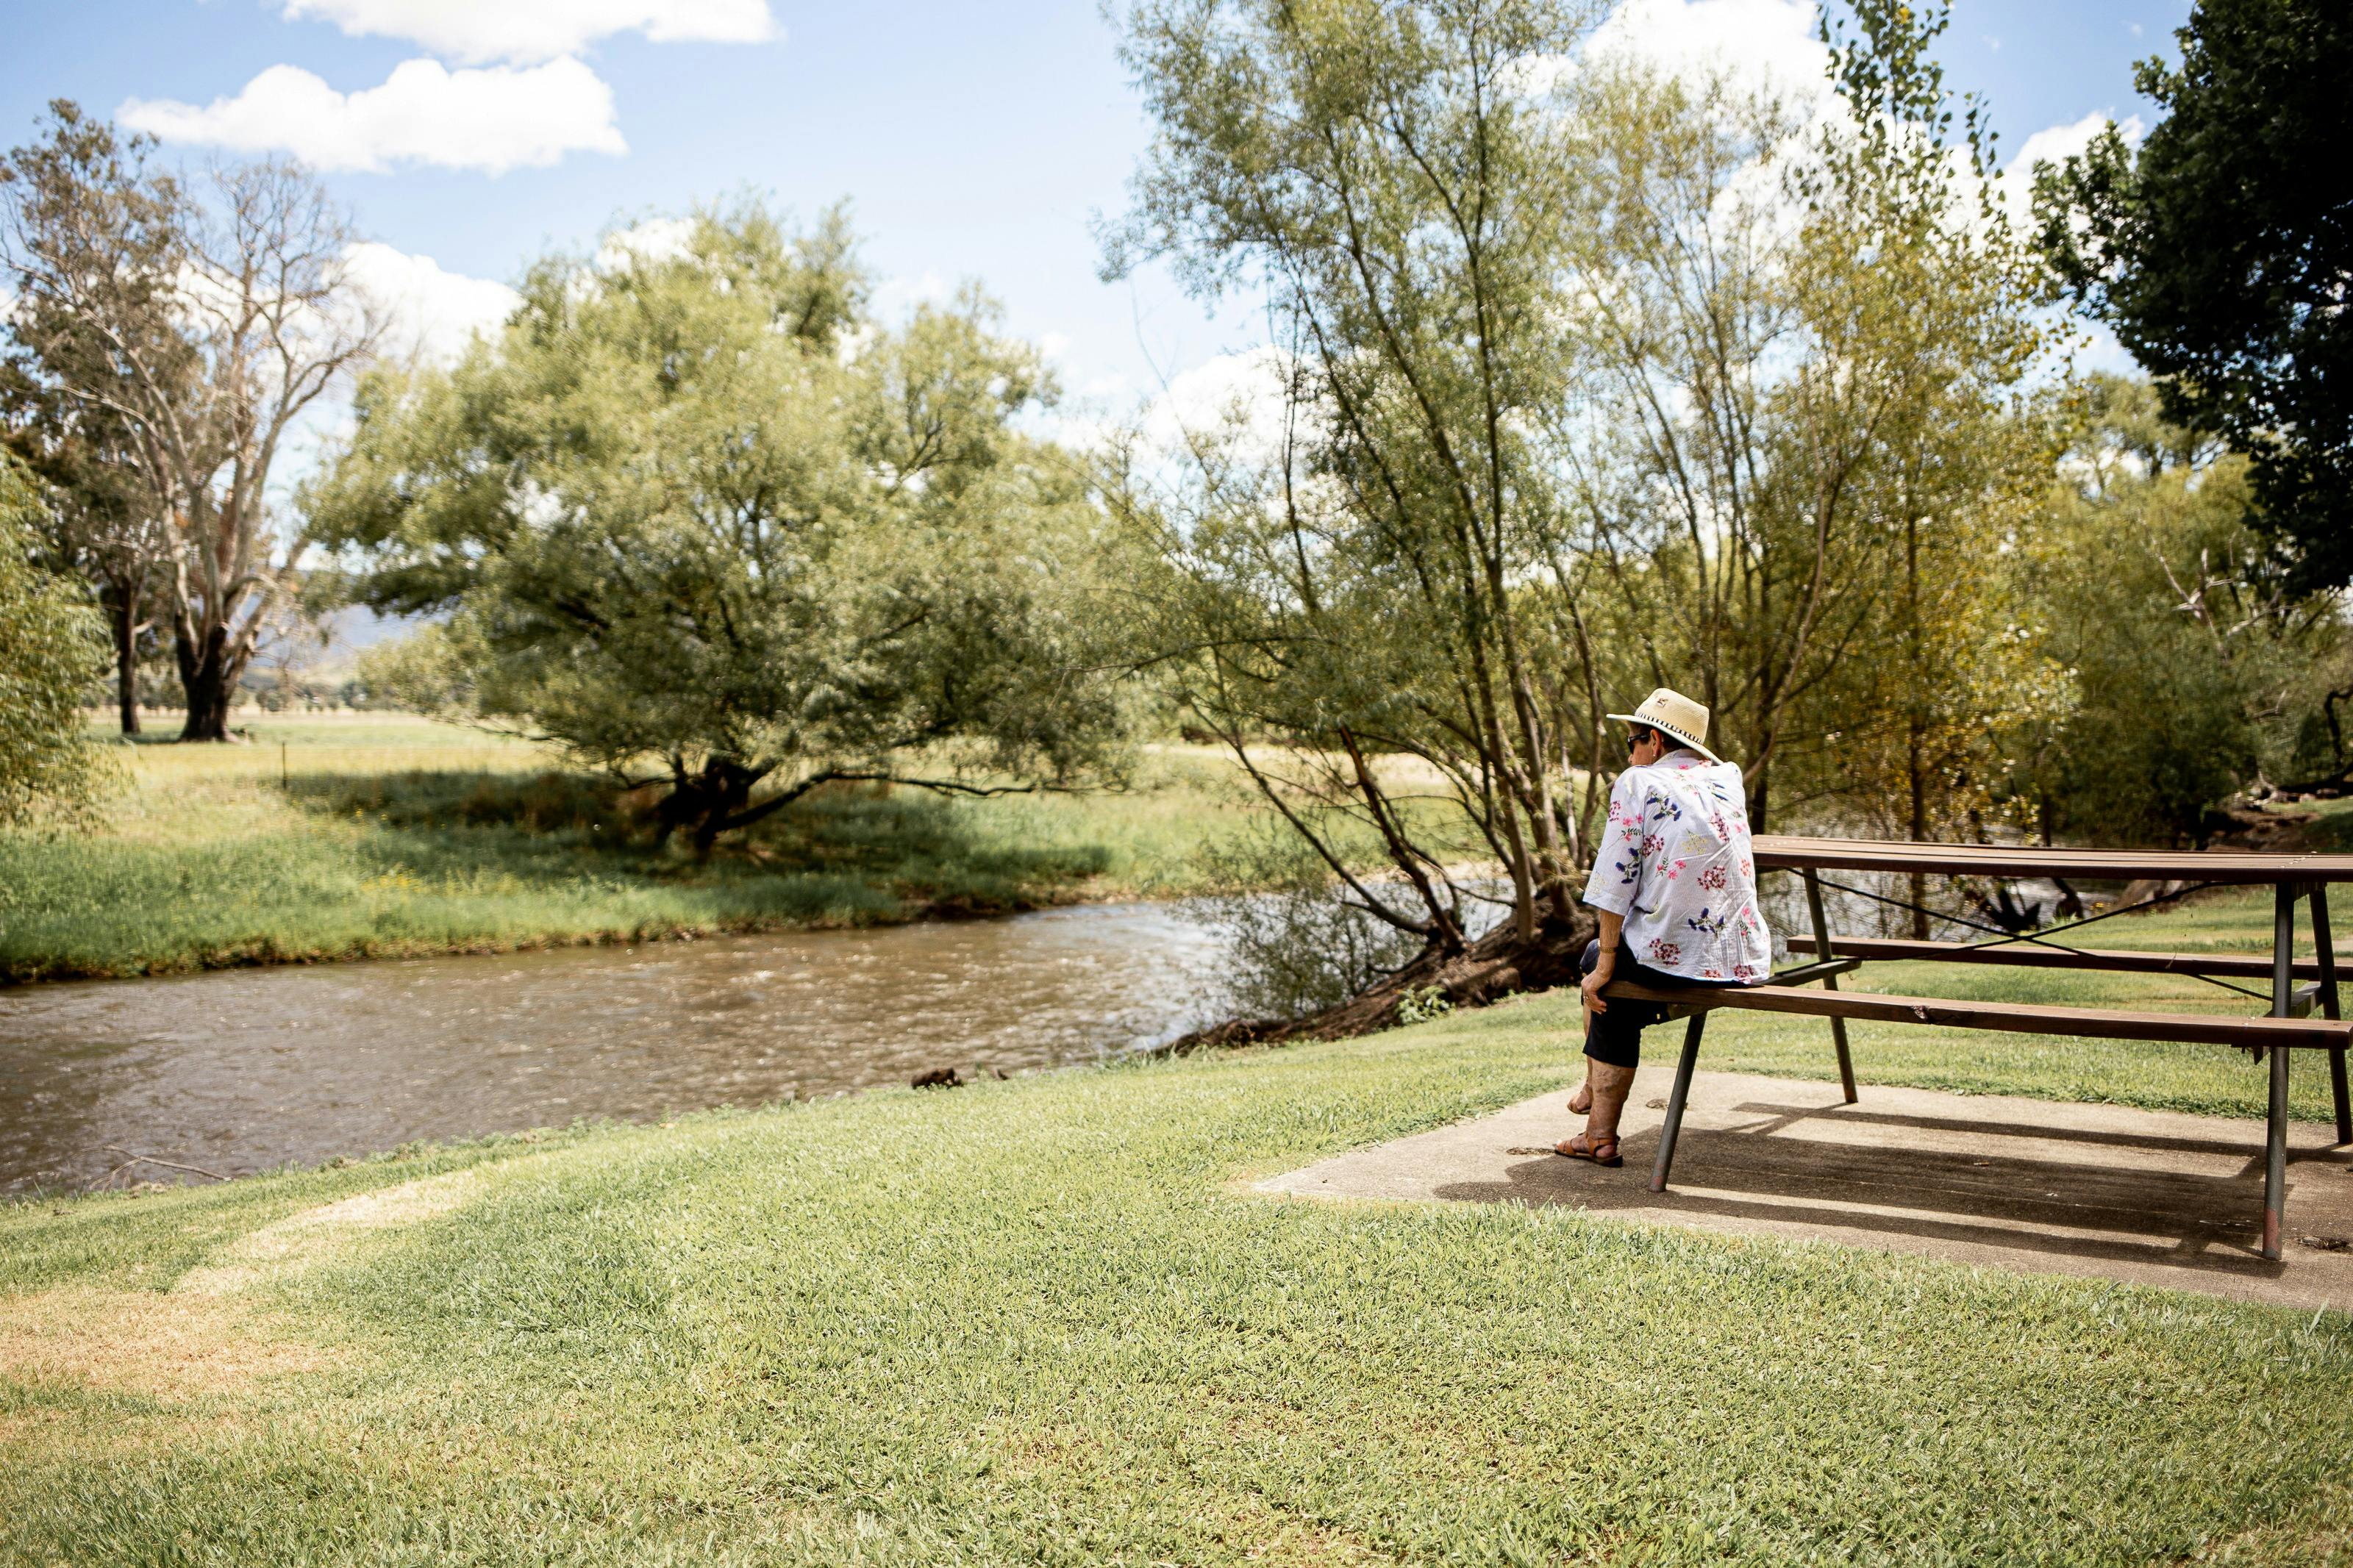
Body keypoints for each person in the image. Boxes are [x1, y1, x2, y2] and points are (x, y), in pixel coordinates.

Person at [1557, 687, 1772, 1167]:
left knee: (1599, 964)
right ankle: (1594, 1096)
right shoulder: (1727, 779)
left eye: (1631, 742)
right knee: (1614, 969)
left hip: (1679, 965)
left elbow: (1614, 881)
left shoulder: (1638, 783)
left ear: (1654, 742)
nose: (1630, 754)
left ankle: (1599, 1130)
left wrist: (1607, 957)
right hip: (1741, 960)